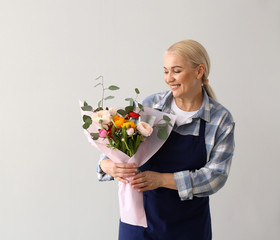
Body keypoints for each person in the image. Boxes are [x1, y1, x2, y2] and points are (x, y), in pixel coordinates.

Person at [97, 39, 235, 240]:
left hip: (188, 228)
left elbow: (215, 177)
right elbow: (120, 146)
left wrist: (161, 180)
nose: (169, 78)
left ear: (199, 71)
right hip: (140, 222)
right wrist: (107, 165)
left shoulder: (220, 119)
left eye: (176, 71)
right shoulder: (152, 105)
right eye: (166, 71)